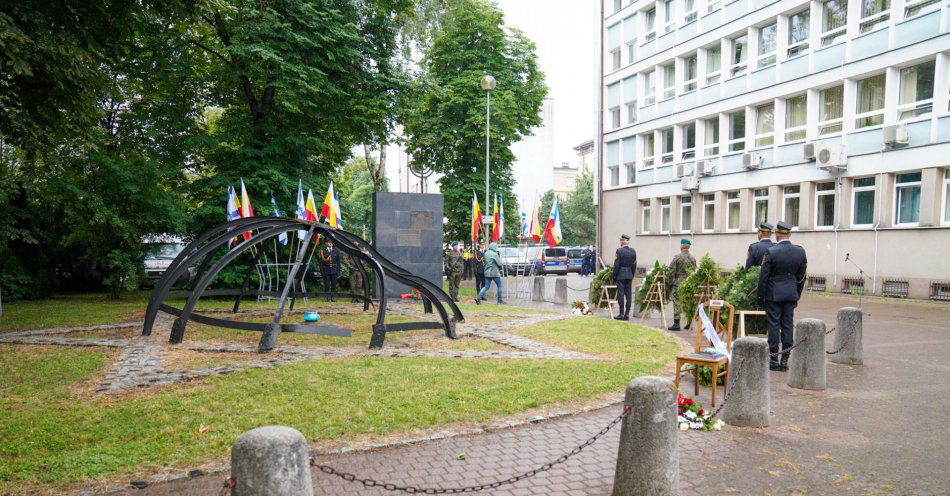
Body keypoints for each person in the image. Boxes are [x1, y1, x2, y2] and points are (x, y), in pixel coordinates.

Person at [758, 221, 807, 371]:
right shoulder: (800, 251)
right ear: (789, 234)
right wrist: (797, 294)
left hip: (774, 294)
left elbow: (763, 278)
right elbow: (802, 277)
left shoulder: (771, 252)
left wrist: (760, 297)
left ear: (777, 235)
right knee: (787, 324)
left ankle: (773, 359)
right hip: (790, 293)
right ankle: (785, 359)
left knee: (773, 324)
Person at [667, 239, 697, 331]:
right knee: (688, 302)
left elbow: (671, 271)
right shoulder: (693, 258)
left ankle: (676, 324)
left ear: (682, 246)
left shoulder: (677, 257)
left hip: (678, 282)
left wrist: (670, 282)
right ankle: (689, 323)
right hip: (689, 283)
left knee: (677, 302)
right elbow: (694, 271)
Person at [612, 234, 637, 320]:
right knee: (629, 294)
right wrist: (632, 275)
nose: (620, 242)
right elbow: (634, 265)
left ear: (622, 241)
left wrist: (614, 275)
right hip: (629, 274)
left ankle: (621, 314)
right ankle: (627, 314)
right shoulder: (633, 251)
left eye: (620, 241)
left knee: (621, 294)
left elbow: (616, 265)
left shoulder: (619, 251)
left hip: (621, 274)